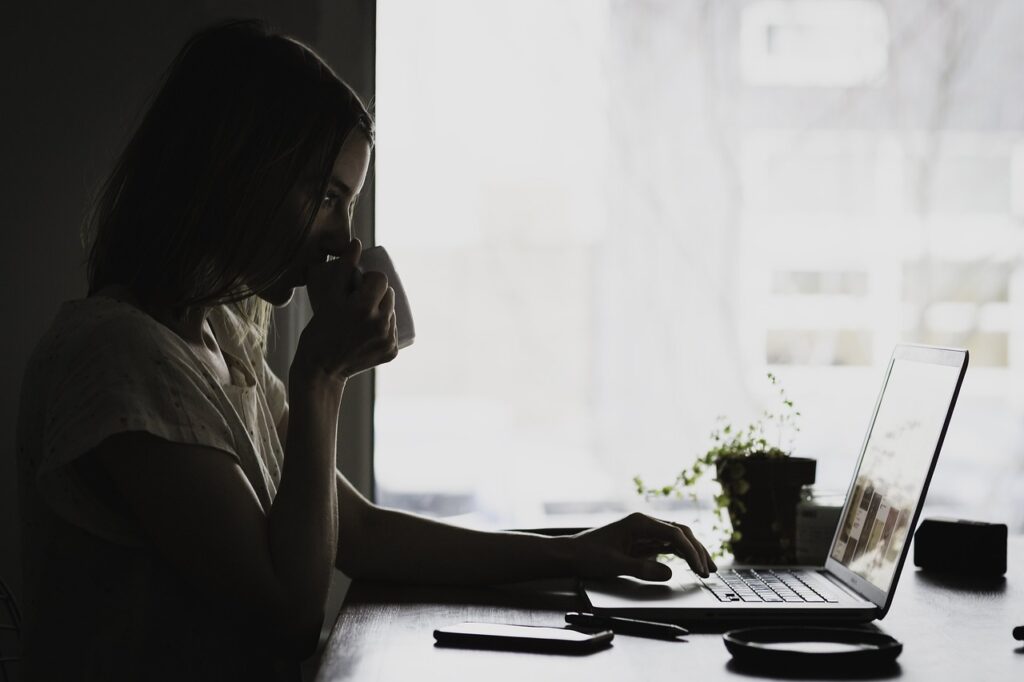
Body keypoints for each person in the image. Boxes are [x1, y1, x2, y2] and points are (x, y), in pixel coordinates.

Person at [15, 20, 715, 681]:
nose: (344, 240)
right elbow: (286, 612)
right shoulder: (119, 357)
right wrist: (321, 374)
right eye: (326, 195)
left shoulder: (220, 343)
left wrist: (579, 552)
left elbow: (360, 532)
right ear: (237, 175)